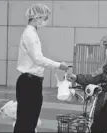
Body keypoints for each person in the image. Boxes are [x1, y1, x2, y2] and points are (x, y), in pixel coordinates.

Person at [14, 4, 69, 133]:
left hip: (31, 81)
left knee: (28, 120)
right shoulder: (30, 34)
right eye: (45, 18)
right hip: (29, 82)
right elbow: (38, 59)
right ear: (36, 17)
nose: (45, 21)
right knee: (27, 121)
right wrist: (59, 65)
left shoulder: (32, 33)